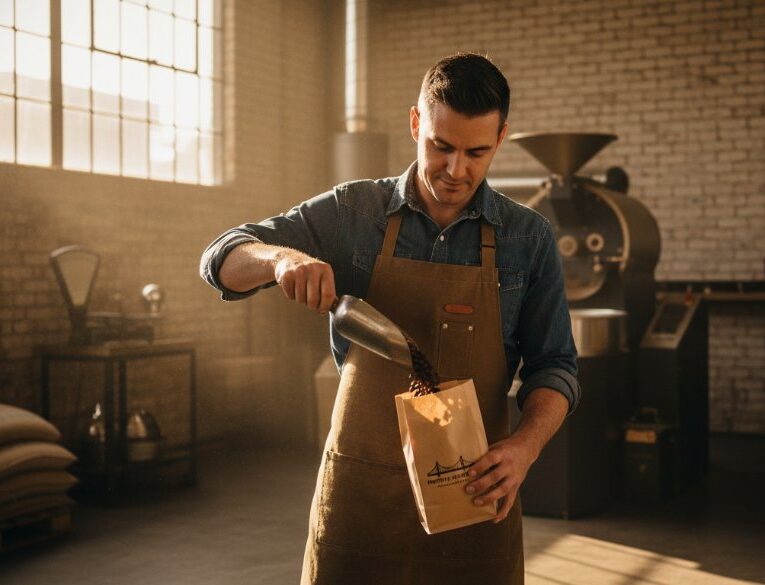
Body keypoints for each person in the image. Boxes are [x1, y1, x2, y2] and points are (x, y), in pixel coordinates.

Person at [200, 52, 579, 585]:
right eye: (441, 146)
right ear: (415, 123)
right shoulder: (354, 212)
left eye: (477, 152)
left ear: (501, 138)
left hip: (471, 493)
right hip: (361, 492)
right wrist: (281, 258)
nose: (456, 170)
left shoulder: (529, 239)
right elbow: (220, 260)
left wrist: (525, 446)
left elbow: (556, 365)